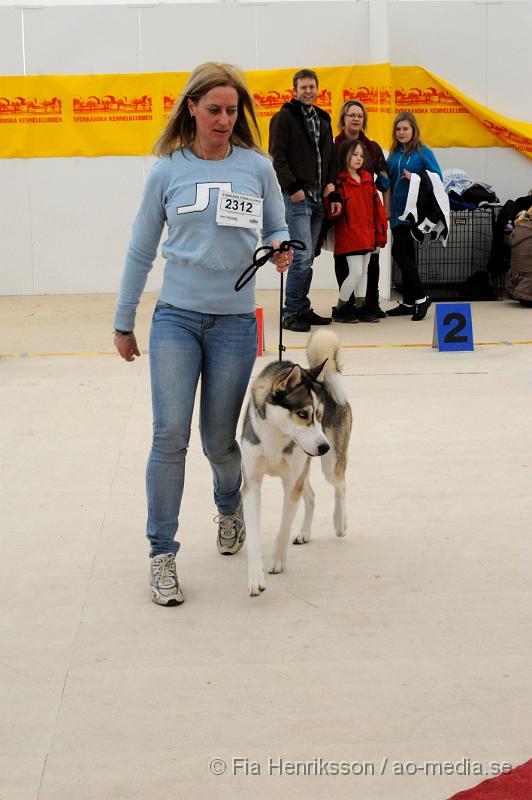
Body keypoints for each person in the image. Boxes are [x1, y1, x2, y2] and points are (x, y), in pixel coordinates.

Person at [113, 63, 291, 606]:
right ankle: (161, 555)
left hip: (236, 323)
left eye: (231, 110)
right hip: (175, 319)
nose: (223, 118)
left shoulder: (257, 167)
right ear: (190, 108)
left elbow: (278, 225)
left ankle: (228, 508)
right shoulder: (166, 171)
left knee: (219, 442)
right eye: (213, 109)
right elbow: (142, 249)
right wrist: (124, 319)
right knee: (169, 435)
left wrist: (283, 247)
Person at [269, 68, 341, 332]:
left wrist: (330, 189)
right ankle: (290, 313)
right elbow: (277, 156)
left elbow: (331, 157)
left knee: (309, 255)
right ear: (295, 90)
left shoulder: (323, 119)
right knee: (300, 257)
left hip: (319, 199)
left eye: (312, 87)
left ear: (317, 89)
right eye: (304, 87)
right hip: (298, 199)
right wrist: (293, 188)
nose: (308, 91)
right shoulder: (284, 118)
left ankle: (302, 308)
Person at [333, 99, 390, 322]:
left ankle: (368, 304)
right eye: (351, 115)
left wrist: (385, 210)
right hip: (345, 215)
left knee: (369, 264)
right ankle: (344, 308)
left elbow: (383, 177)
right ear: (343, 119)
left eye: (359, 115)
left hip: (367, 215)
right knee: (346, 264)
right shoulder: (334, 145)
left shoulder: (373, 147)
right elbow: (329, 176)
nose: (356, 119)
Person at [386, 111, 443, 320]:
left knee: (399, 252)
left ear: (413, 130)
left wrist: (415, 177)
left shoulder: (422, 152)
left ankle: (421, 297)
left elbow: (437, 178)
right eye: (398, 129)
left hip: (413, 213)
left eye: (405, 129)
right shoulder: (394, 153)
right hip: (395, 211)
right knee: (406, 255)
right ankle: (410, 301)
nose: (401, 132)